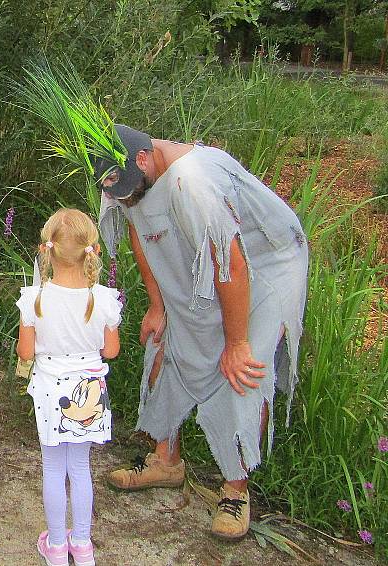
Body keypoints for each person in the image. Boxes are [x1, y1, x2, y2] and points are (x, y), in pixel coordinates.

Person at [96, 125, 308, 540]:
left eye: (126, 188)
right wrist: (159, 305)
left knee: (243, 367)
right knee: (168, 341)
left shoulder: (192, 182)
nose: (122, 197)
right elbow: (140, 228)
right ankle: (166, 461)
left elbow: (231, 261)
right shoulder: (128, 175)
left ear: (143, 159)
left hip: (264, 265)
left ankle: (235, 489)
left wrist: (237, 341)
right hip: (203, 255)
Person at [16, 208, 122, 566]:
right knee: (80, 468)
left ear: (48, 249)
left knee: (52, 468)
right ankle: (84, 547)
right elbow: (111, 350)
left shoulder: (35, 298)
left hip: (49, 388)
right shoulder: (104, 298)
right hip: (90, 388)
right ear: (90, 249)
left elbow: (26, 352)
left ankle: (57, 548)